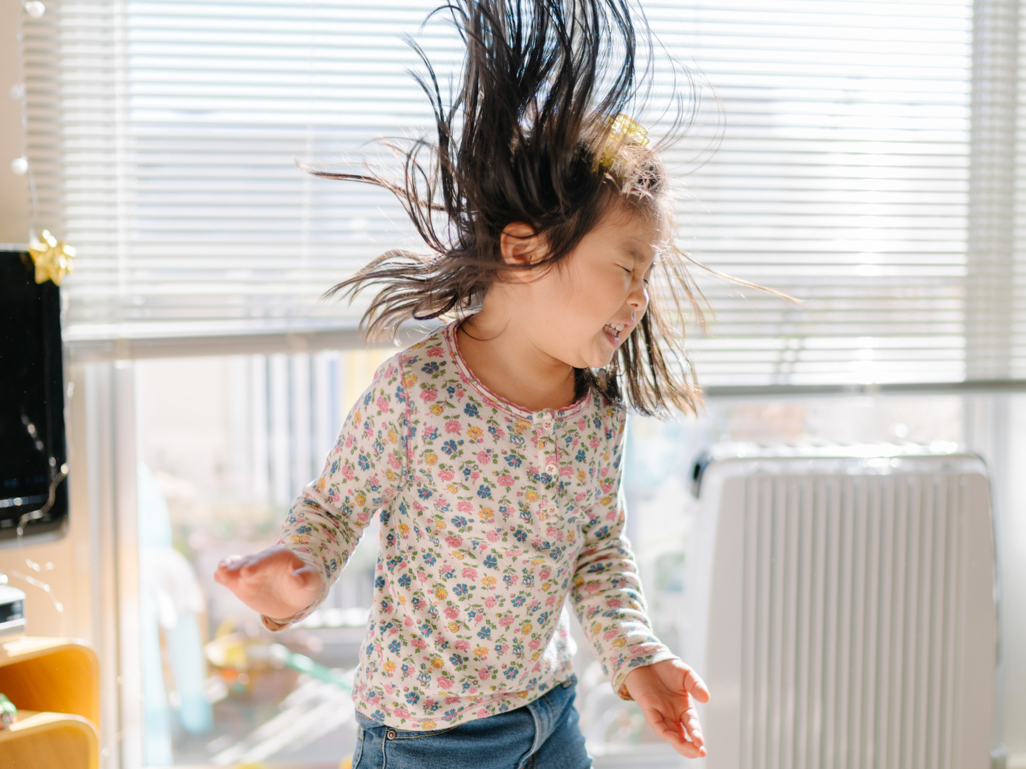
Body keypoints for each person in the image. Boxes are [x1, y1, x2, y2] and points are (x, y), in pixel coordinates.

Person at [215, 0, 716, 765]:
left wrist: (635, 655)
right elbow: (336, 505)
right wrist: (301, 577)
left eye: (645, 278)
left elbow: (595, 552)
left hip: (549, 713)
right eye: (624, 269)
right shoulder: (418, 390)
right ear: (524, 251)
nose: (638, 298)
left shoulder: (595, 415)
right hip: (426, 739)